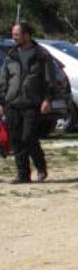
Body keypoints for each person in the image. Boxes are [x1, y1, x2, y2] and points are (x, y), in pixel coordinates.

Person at [0, 23, 56, 184]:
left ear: (27, 35)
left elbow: (49, 81)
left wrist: (48, 99)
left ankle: (41, 167)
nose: (14, 38)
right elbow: (4, 80)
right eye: (13, 34)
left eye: (16, 34)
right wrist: (2, 102)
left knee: (29, 137)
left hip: (32, 103)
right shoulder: (11, 54)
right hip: (12, 104)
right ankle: (23, 174)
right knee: (16, 140)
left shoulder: (41, 55)